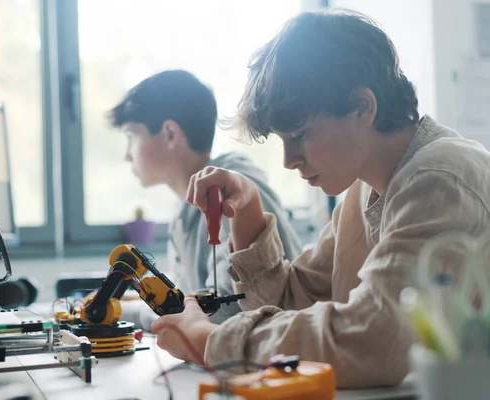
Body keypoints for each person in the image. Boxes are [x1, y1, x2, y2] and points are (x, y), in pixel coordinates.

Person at [150, 10, 490, 388]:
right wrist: (247, 210)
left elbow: (373, 339)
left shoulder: (439, 179)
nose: (288, 160)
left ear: (363, 107)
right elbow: (296, 300)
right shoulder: (366, 189)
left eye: (299, 134)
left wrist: (210, 342)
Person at [108, 70, 303, 330]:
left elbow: (227, 314)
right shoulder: (183, 210)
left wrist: (123, 311)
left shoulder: (230, 192)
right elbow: (185, 302)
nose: (127, 156)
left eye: (132, 136)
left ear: (169, 134)